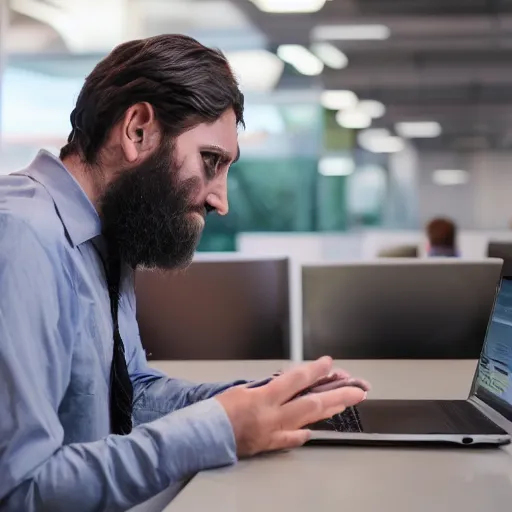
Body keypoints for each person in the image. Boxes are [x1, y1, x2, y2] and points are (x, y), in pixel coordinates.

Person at [0, 35, 368, 511]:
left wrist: (259, 401)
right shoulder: (21, 238)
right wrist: (219, 430)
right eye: (210, 161)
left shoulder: (103, 234)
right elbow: (19, 490)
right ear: (137, 131)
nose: (222, 199)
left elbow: (131, 393)